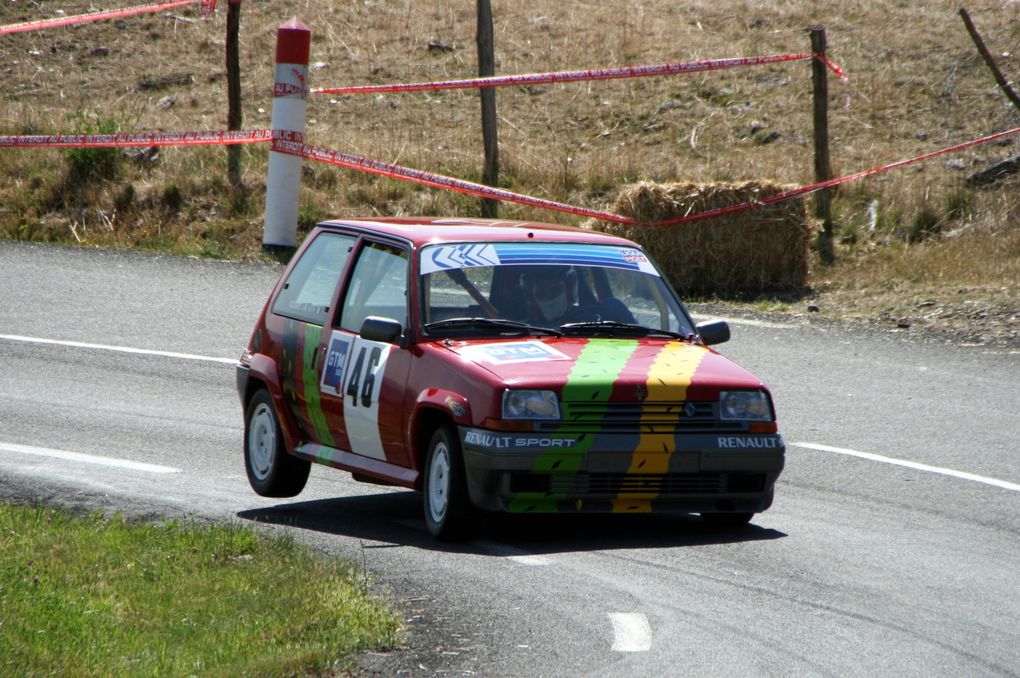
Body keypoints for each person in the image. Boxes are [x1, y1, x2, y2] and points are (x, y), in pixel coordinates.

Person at [524, 266, 635, 326]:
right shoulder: (521, 327)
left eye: (555, 289)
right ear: (532, 297)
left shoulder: (602, 316)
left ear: (569, 290)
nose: (549, 295)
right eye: (542, 292)